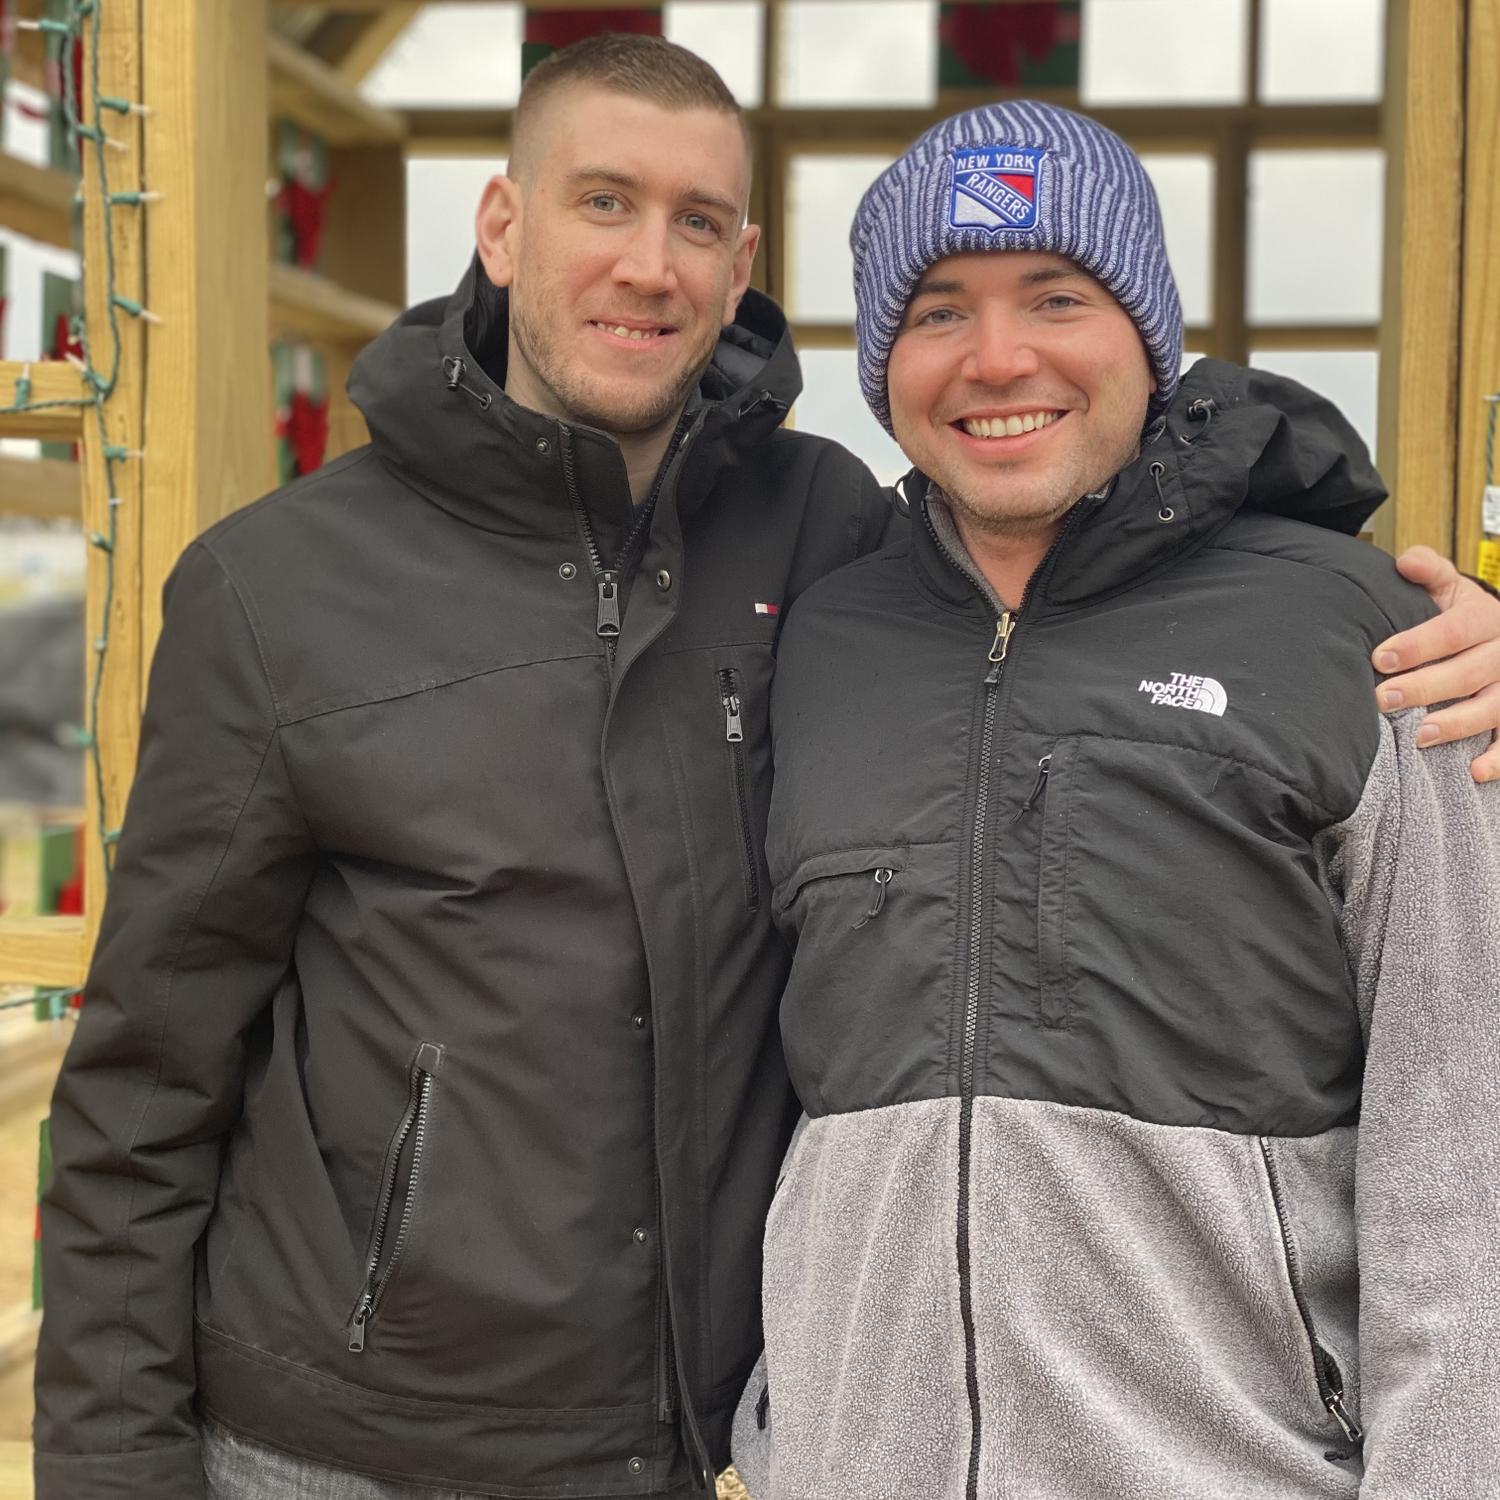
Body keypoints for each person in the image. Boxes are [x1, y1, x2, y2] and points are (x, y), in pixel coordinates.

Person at [29, 37, 1500, 1500]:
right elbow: (147, 1081)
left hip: (775, 1448)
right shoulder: (292, 587)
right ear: (501, 224)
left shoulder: (849, 551)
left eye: (699, 223)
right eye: (602, 201)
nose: (649, 265)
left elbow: (1460, 1149)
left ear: (743, 268)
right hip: (357, 1447)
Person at [731, 100, 1500, 1500]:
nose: (999, 356)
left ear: (1149, 332)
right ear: (884, 360)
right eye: (939, 308)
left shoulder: (1365, 638)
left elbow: (1463, 1149)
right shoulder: (823, 645)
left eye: (1057, 296)